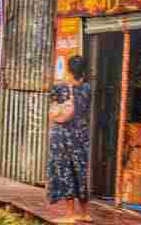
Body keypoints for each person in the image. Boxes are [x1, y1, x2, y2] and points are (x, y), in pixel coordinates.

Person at [47, 56, 92, 222]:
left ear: (68, 69)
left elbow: (52, 111)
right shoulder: (87, 88)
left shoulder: (59, 88)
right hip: (81, 136)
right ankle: (85, 213)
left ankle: (70, 214)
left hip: (63, 136)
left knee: (65, 171)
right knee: (80, 172)